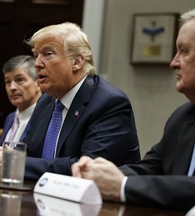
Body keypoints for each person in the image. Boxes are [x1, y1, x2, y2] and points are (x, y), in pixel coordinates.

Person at [0, 22, 140, 180]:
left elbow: (87, 169)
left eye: (48, 54)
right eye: (36, 55)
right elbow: (30, 155)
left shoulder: (109, 103)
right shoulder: (46, 101)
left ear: (76, 62)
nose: (37, 63)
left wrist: (12, 164)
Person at [71, 9, 195, 212]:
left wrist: (122, 186)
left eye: (184, 51)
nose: (173, 63)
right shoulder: (182, 117)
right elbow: (150, 169)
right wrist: (99, 174)